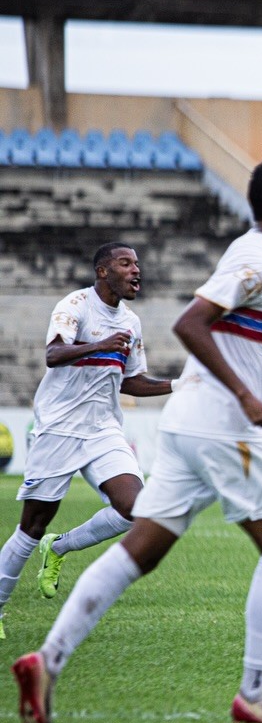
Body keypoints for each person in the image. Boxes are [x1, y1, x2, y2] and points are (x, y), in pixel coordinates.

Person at [12, 157, 262, 723]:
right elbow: (192, 322)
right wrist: (245, 395)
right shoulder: (258, 255)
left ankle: (46, 659)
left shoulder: (260, 259)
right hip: (225, 425)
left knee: (141, 549)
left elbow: (232, 324)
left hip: (188, 424)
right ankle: (256, 692)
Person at [0, 243, 173, 640]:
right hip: (59, 428)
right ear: (102, 271)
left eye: (137, 263)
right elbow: (54, 353)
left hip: (102, 429)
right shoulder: (74, 305)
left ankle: (59, 547)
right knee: (31, 526)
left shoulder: (130, 322)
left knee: (137, 508)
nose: (136, 270)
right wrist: (99, 344)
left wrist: (180, 385)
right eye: (125, 263)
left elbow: (131, 381)